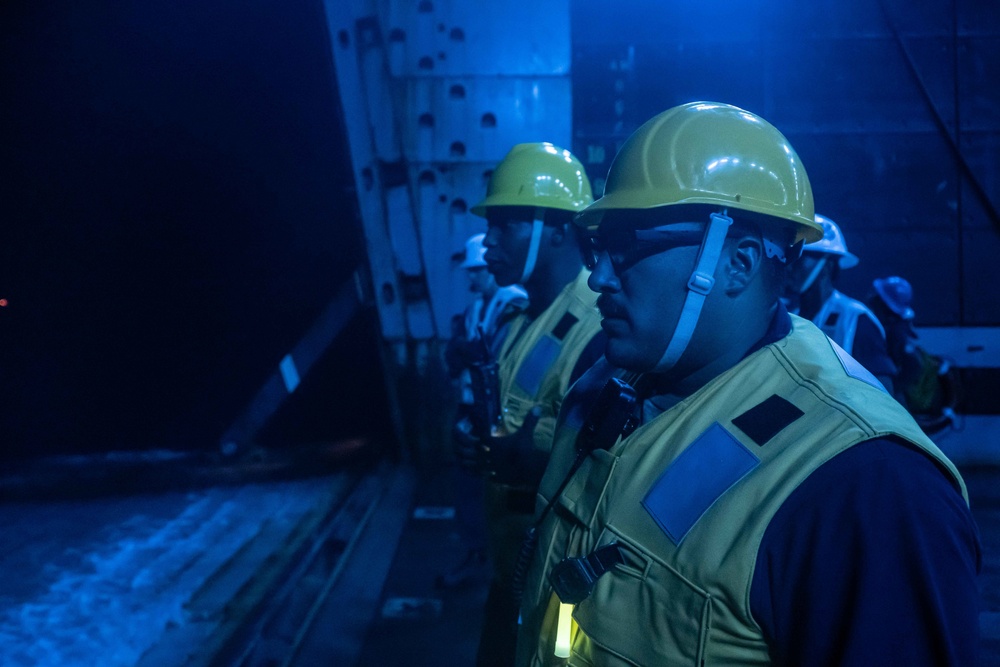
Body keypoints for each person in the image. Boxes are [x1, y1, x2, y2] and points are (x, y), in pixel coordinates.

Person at [517, 102, 981, 666]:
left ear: (737, 263)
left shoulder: (867, 485)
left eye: (631, 245)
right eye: (599, 246)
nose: (599, 276)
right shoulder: (605, 384)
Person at [468, 142, 606, 667]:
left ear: (554, 229)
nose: (488, 243)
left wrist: (537, 462)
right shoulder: (519, 322)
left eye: (505, 225)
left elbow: (607, 468)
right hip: (513, 571)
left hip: (561, 594)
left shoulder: (600, 330)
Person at [437, 233, 527, 590]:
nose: (471, 277)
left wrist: (466, 349)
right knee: (469, 484)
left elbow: (487, 354)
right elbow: (459, 354)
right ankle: (478, 553)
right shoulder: (477, 308)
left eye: (477, 269)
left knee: (492, 486)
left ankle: (493, 560)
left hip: (494, 411)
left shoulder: (512, 302)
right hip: (470, 405)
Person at [786, 214, 897, 392]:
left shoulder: (856, 319)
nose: (789, 264)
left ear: (827, 265)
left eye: (800, 256)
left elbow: (886, 398)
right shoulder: (791, 316)